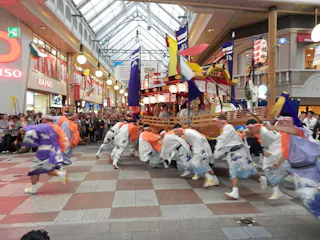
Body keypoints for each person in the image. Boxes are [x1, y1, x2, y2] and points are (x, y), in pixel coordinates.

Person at [265, 113, 320, 219]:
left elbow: (295, 132)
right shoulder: (284, 136)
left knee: (307, 196)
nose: (279, 124)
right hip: (298, 170)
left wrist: (273, 127)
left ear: (288, 121)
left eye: (281, 122)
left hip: (309, 168)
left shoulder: (300, 131)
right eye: (278, 122)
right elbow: (286, 153)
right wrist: (279, 162)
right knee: (307, 196)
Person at [213, 115, 267, 200]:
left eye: (217, 121)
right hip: (233, 153)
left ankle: (261, 178)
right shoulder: (225, 129)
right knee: (234, 170)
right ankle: (235, 192)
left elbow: (222, 140)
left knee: (248, 169)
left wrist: (216, 152)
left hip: (239, 152)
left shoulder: (229, 127)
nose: (215, 123)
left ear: (222, 121)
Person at [246, 119, 292, 200]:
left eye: (251, 128)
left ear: (256, 126)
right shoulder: (261, 131)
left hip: (276, 151)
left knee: (270, 168)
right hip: (271, 151)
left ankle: (277, 190)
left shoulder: (265, 132)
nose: (250, 131)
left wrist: (271, 151)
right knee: (268, 169)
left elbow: (280, 139)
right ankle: (276, 191)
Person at [22, 116, 68, 195]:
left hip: (44, 150)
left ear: (45, 120)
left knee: (34, 169)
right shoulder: (57, 127)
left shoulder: (42, 126)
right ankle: (59, 173)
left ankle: (33, 188)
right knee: (49, 169)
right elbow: (63, 139)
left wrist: (22, 121)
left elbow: (28, 129)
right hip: (55, 150)